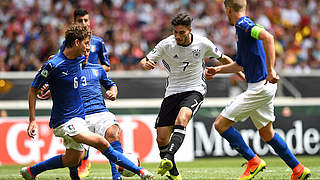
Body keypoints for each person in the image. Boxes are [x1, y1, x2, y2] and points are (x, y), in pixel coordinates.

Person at [20, 23, 154, 180]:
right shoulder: (53, 64)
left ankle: (31, 171)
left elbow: (73, 78)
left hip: (79, 118)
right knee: (102, 142)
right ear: (76, 42)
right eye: (86, 44)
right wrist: (32, 120)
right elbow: (33, 89)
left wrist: (53, 86)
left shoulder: (79, 61)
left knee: (72, 159)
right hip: (64, 121)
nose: (88, 49)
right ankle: (140, 172)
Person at [205, 0, 311, 180]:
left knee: (220, 124)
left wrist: (271, 70)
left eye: (225, 11)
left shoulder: (243, 24)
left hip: (260, 87)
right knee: (266, 133)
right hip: (263, 87)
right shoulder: (243, 29)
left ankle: (253, 161)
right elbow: (239, 65)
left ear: (228, 9)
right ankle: (298, 169)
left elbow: (268, 37)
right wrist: (218, 70)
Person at [139, 12, 244, 180]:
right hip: (172, 91)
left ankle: (167, 158)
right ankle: (174, 174)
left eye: (182, 32)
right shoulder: (166, 44)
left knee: (182, 119)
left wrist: (240, 73)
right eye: (175, 32)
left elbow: (223, 58)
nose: (178, 36)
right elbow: (144, 60)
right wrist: (146, 65)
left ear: (190, 30)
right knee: (161, 138)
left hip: (195, 89)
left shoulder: (202, 43)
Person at [38, 53, 123, 180]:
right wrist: (47, 86)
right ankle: (74, 174)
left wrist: (113, 93)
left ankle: (117, 176)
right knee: (76, 157)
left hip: (100, 112)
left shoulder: (97, 68)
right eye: (84, 49)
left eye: (88, 49)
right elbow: (51, 73)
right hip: (78, 116)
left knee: (112, 133)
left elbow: (111, 84)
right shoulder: (67, 67)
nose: (86, 53)